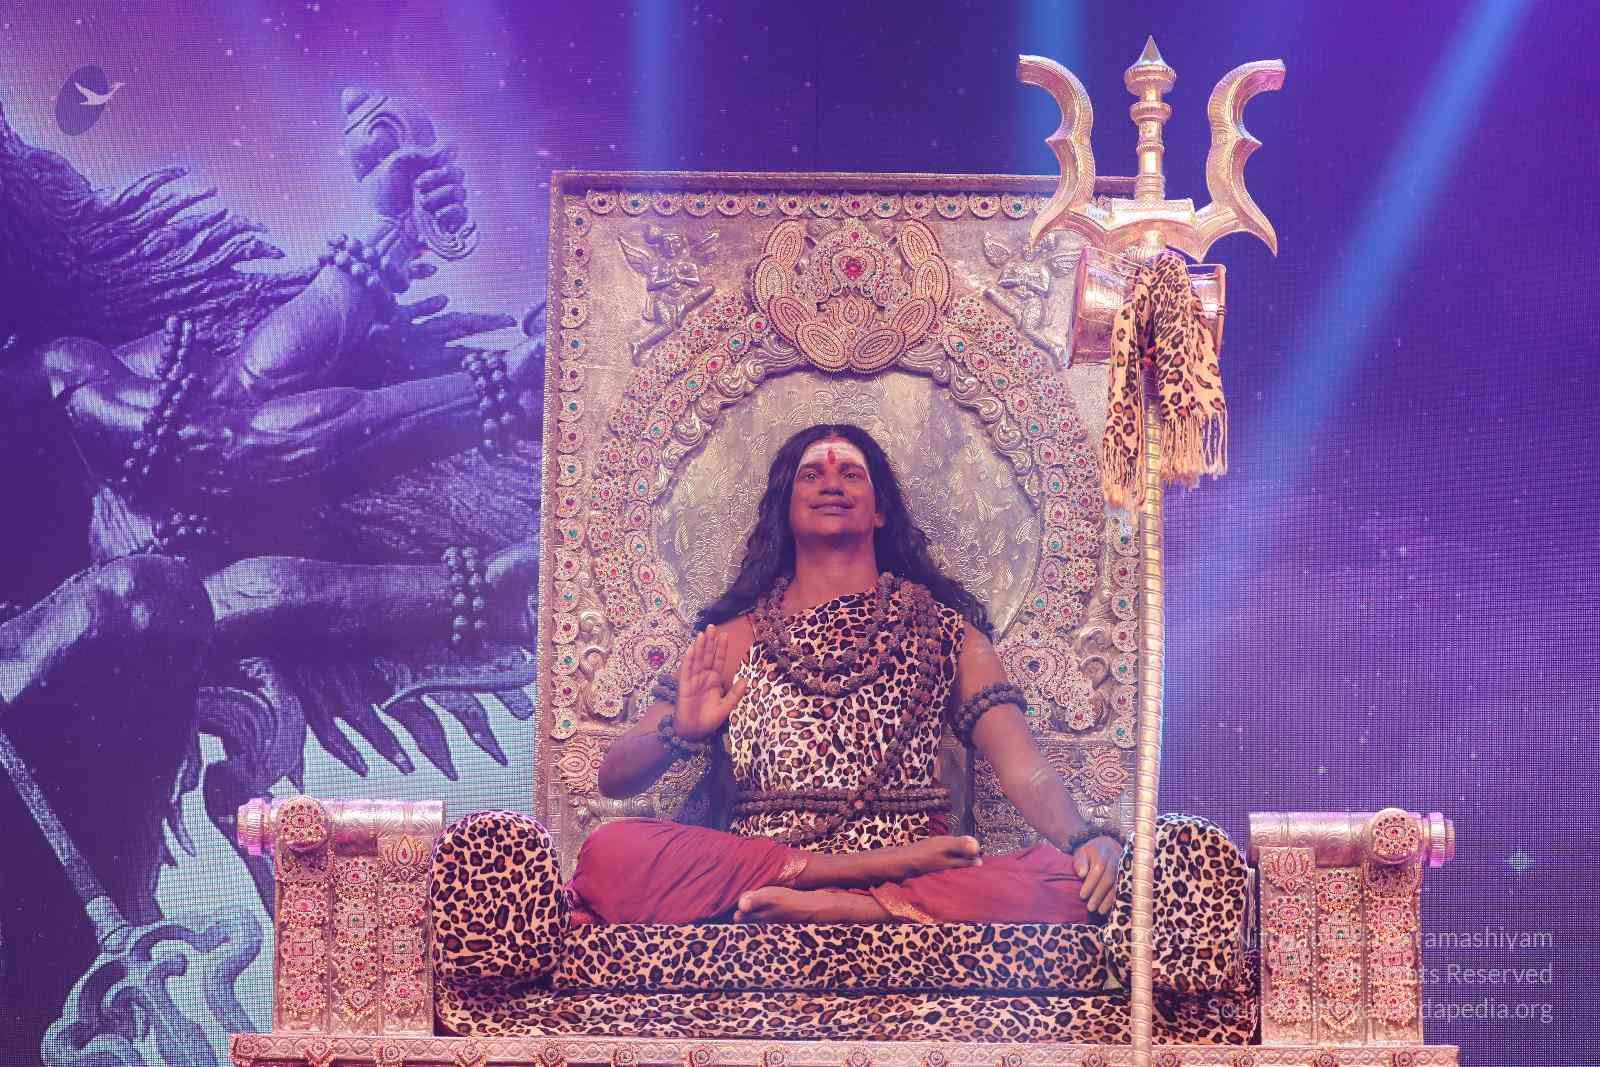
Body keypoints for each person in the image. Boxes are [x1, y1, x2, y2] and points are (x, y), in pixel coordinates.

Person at [570, 423, 1124, 925]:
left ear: (879, 511)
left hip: (916, 874)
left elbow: (1025, 768)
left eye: (851, 474)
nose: (831, 483)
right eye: (811, 475)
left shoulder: (946, 632)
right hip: (771, 865)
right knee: (609, 853)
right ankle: (842, 877)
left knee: (1077, 882)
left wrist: (1085, 838)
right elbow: (614, 778)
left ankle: (856, 904)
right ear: (785, 509)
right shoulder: (732, 639)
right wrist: (680, 733)